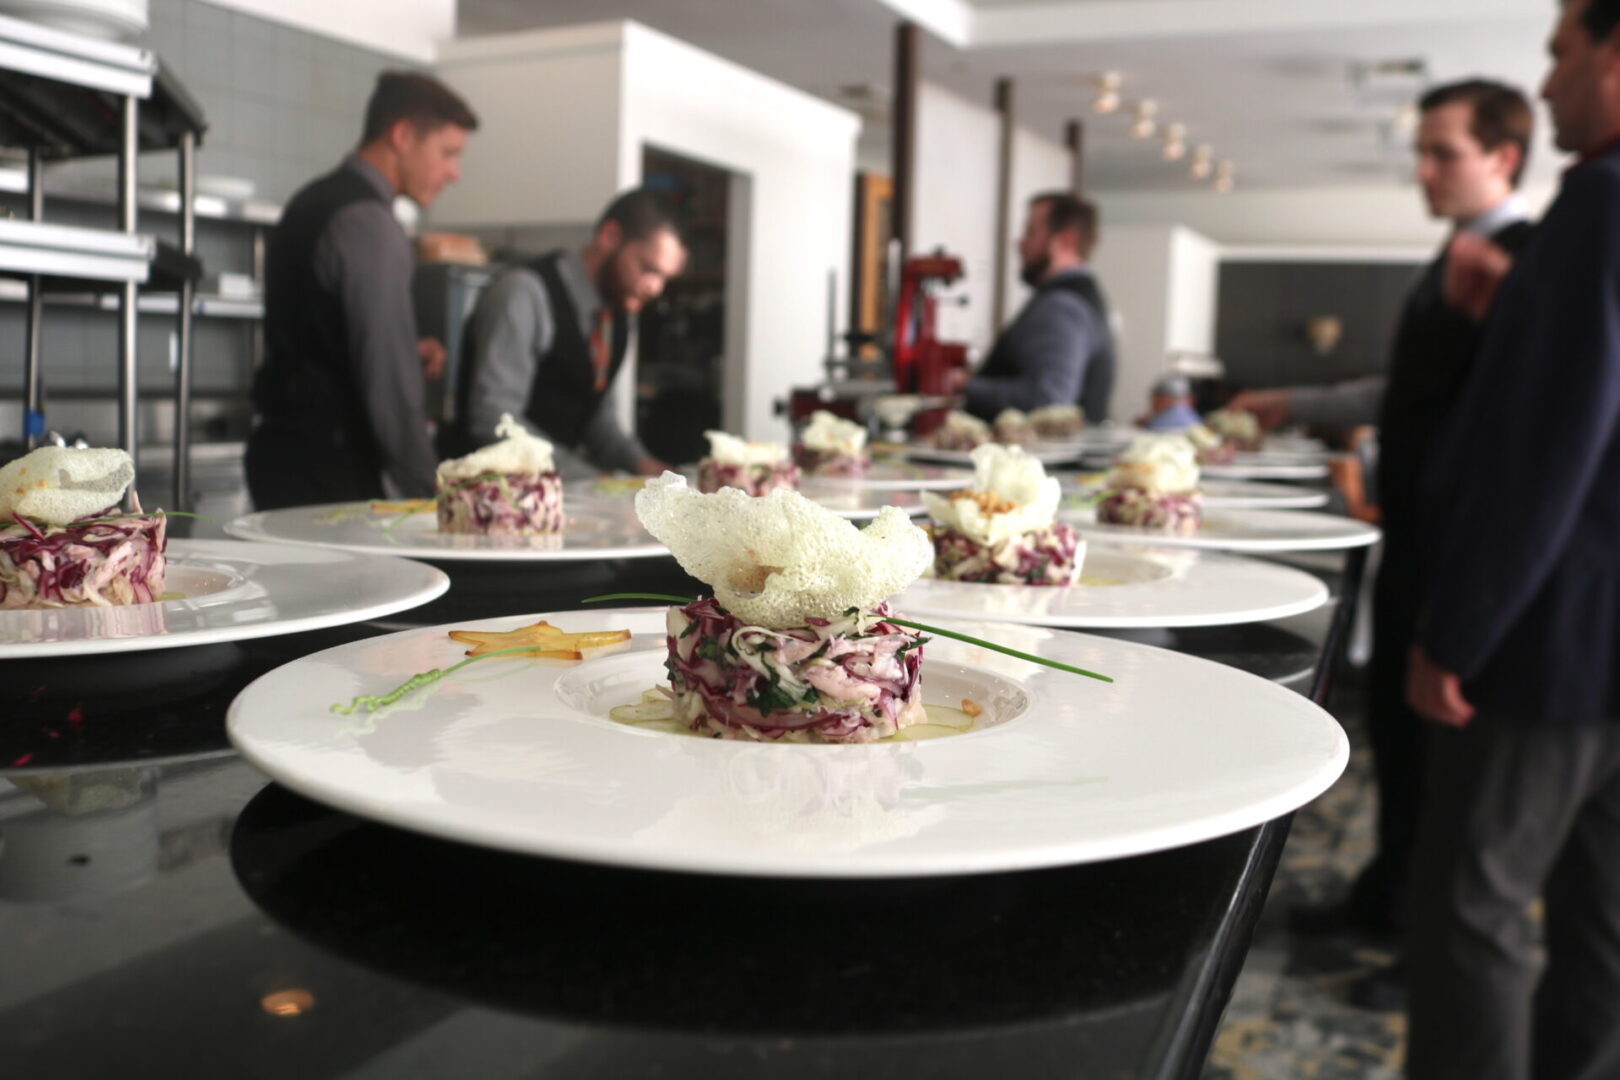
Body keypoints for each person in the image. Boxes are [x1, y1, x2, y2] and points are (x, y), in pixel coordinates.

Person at [1237, 79, 1537, 956]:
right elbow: (1404, 394)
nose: (1424, 169)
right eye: (1423, 151)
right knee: (1402, 742)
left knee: (1448, 762)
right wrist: (1290, 399)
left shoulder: (1527, 261)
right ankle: (1387, 897)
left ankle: (1420, 936)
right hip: (1417, 535)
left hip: (1465, 546)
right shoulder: (1456, 256)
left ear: (1503, 158)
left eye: (1444, 153)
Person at [1403, 2, 1620, 1075]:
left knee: (1471, 912)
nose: (1546, 86)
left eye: (1560, 55)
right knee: (1602, 926)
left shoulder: (1599, 206)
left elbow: (1545, 452)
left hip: (1549, 643)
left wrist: (1459, 633)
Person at [245, 72, 477, 510]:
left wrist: (404, 349)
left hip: (284, 459)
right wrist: (435, 497)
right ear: (403, 135)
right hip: (327, 473)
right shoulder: (370, 224)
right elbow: (389, 385)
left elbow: (320, 334)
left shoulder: (312, 199)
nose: (455, 173)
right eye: (447, 153)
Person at [446, 189, 686, 477]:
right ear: (609, 236)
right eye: (648, 269)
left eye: (664, 278)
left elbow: (597, 421)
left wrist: (642, 464)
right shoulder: (525, 293)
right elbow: (494, 419)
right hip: (486, 497)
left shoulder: (616, 313)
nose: (655, 289)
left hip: (555, 501)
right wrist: (590, 479)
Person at [956, 192, 1116, 424]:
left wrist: (963, 385)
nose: (1021, 243)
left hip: (1039, 457)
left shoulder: (1061, 306)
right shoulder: (1078, 297)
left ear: (1066, 240)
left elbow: (1049, 400)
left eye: (1031, 232)